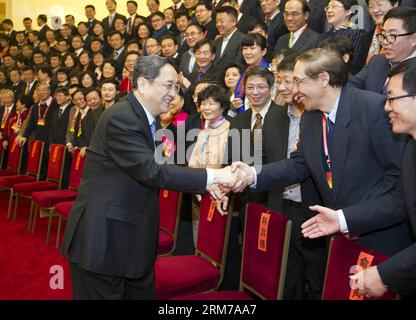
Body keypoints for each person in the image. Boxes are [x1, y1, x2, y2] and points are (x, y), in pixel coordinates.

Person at [60, 55, 241, 300]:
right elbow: (153, 170)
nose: (173, 93)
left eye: (176, 87)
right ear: (143, 84)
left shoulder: (147, 119)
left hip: (132, 243)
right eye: (167, 85)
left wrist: (204, 184)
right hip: (104, 244)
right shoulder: (121, 118)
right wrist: (213, 176)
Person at [230, 48, 411, 256]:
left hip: (379, 235)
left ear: (323, 78)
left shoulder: (373, 109)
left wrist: (350, 218)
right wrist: (252, 174)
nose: (292, 89)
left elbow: (396, 177)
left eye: (298, 81)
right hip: (338, 234)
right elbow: (299, 163)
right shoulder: (311, 117)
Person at [310, 58, 416, 299]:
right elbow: (399, 197)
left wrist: (385, 275)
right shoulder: (411, 148)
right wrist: (343, 220)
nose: (386, 107)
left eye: (392, 98)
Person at [188, 85, 230, 244]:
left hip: (218, 195)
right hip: (199, 192)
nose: (206, 108)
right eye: (203, 103)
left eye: (211, 103)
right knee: (198, 241)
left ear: (223, 106)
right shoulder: (203, 132)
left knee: (214, 245)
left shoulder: (230, 130)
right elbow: (193, 163)